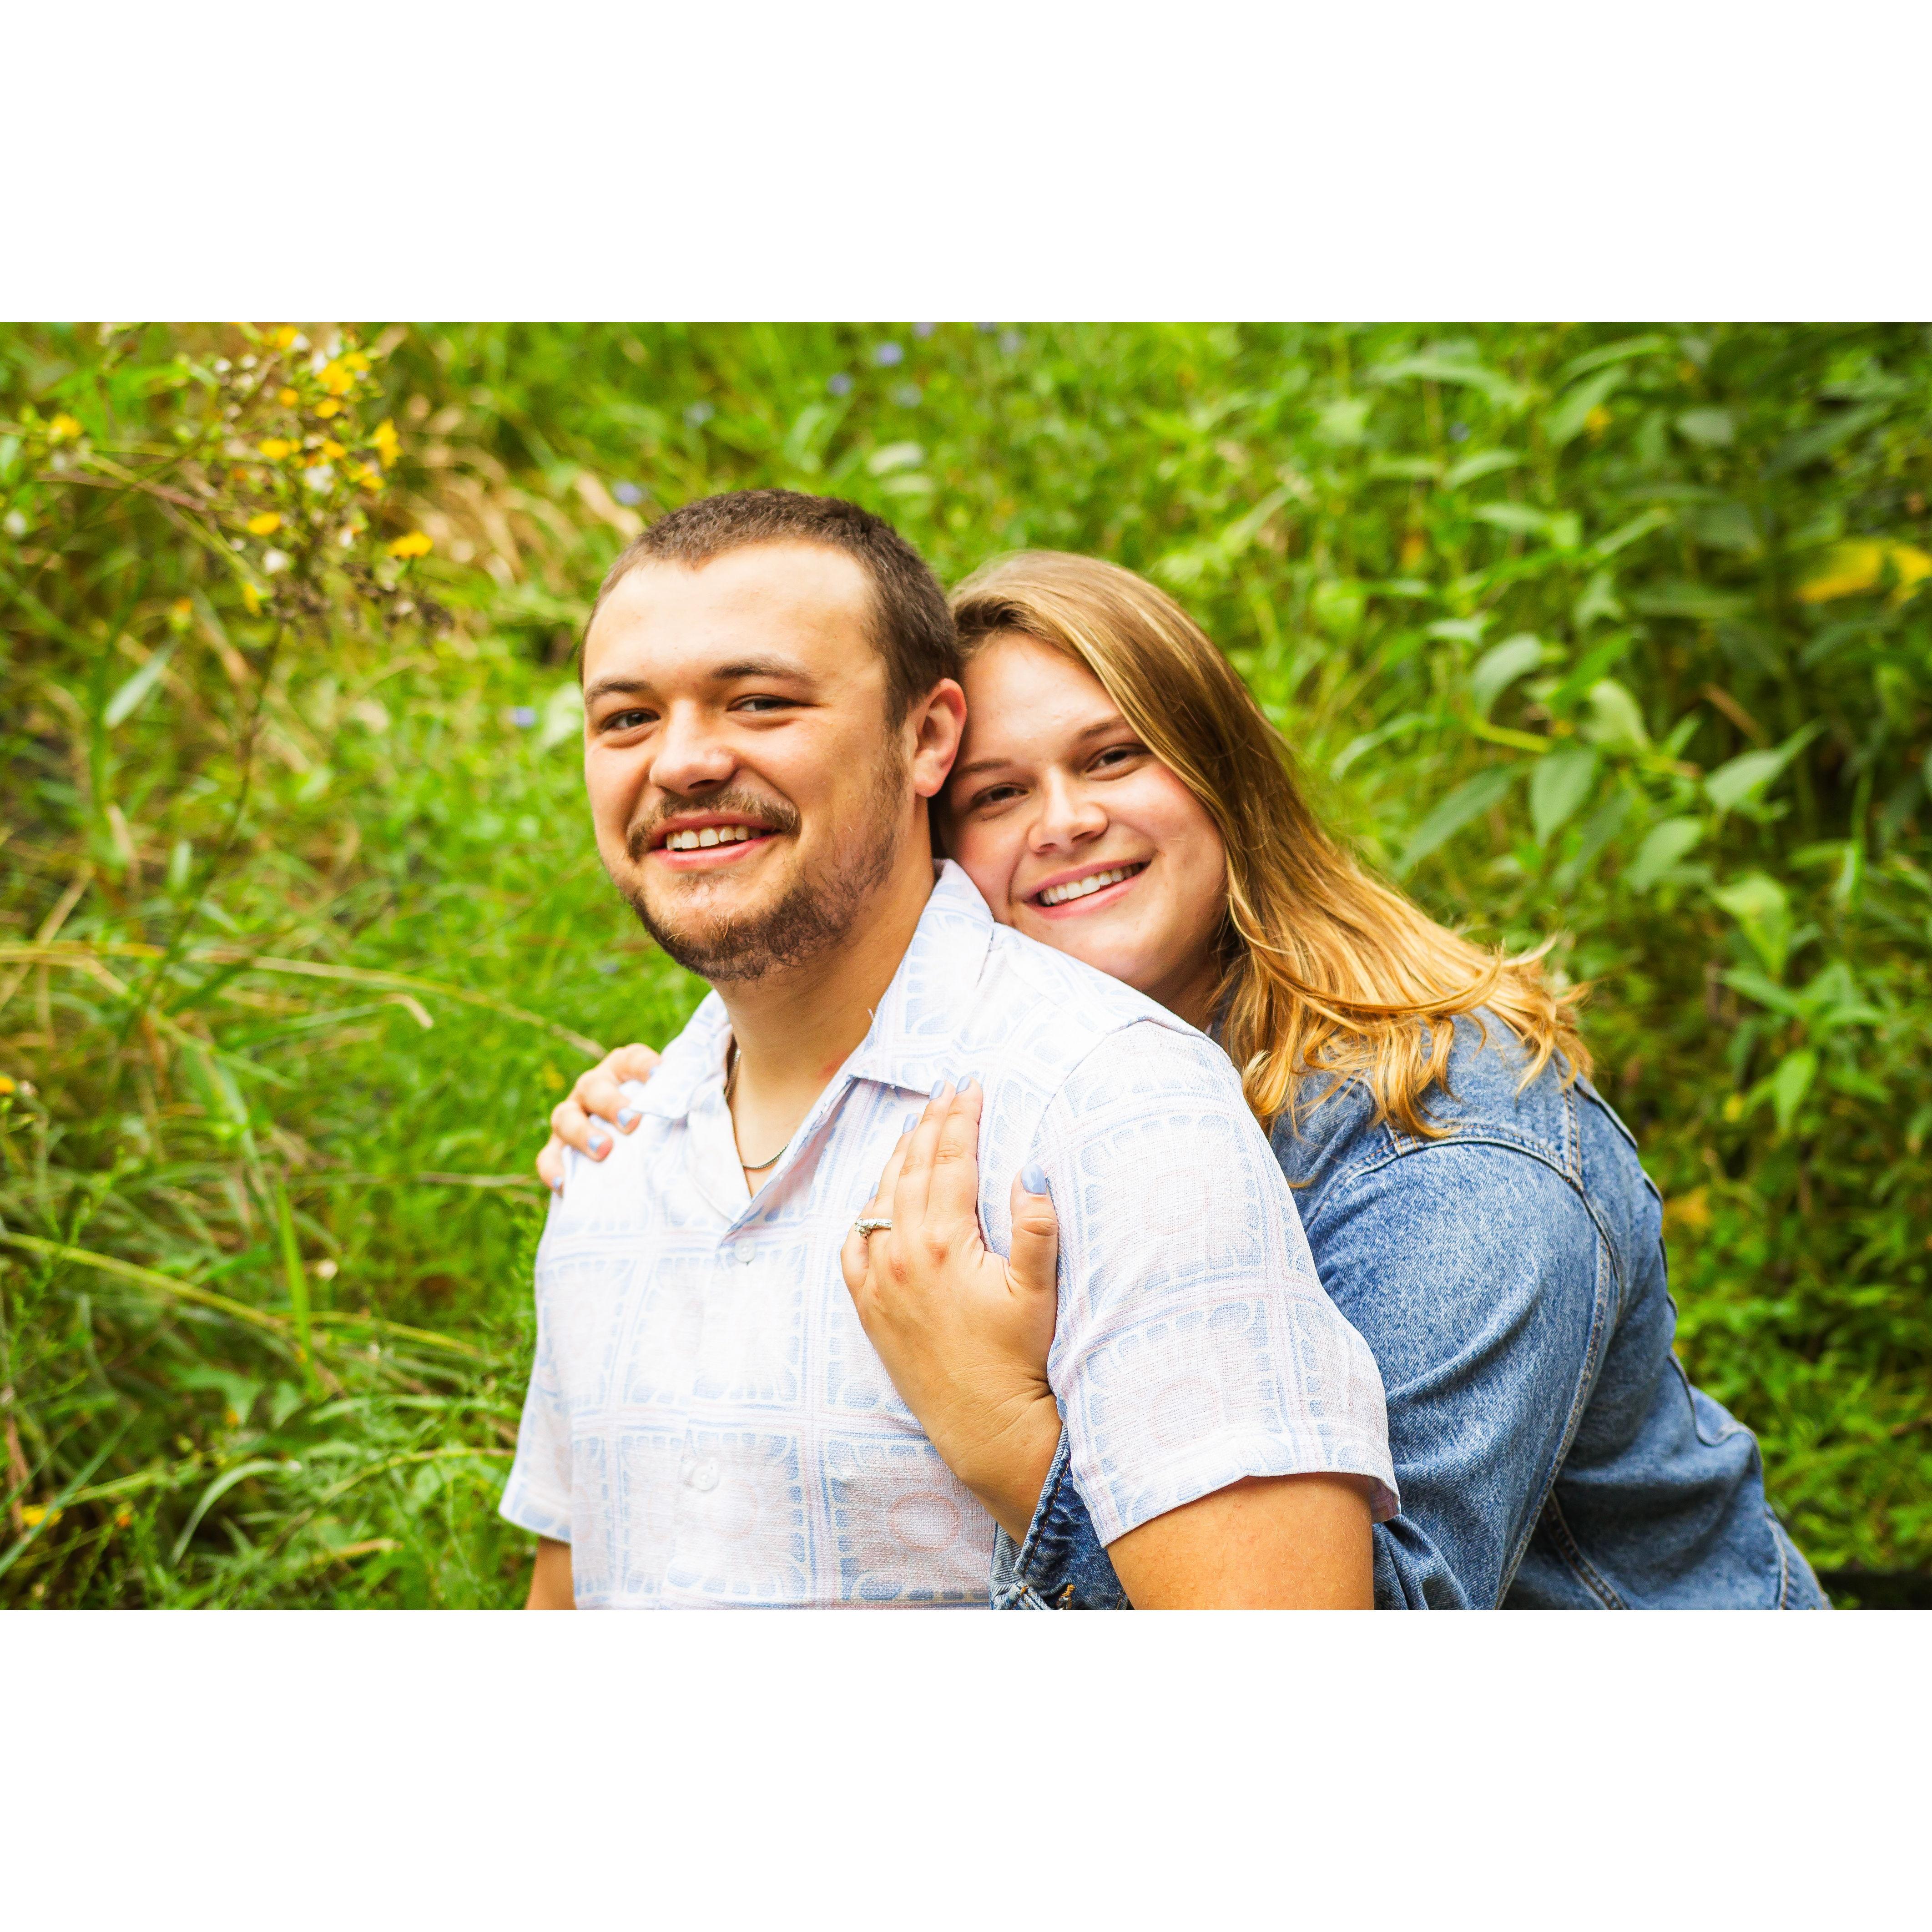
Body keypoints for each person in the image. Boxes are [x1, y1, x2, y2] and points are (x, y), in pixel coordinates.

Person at [543, 547, 1828, 1610]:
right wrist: (687, 1128)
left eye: (1113, 759)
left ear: (1224, 774)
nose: (1064, 822)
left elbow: (1373, 1631)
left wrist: (1002, 1430)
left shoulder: (1453, 1151)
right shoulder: (1002, 1103)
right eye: (997, 794)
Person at [501, 490, 1396, 1609]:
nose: (680, 761)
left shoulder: (1114, 1104)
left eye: (761, 700)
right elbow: (569, 1596)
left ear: (925, 739)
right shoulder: (616, 1151)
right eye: (626, 719)